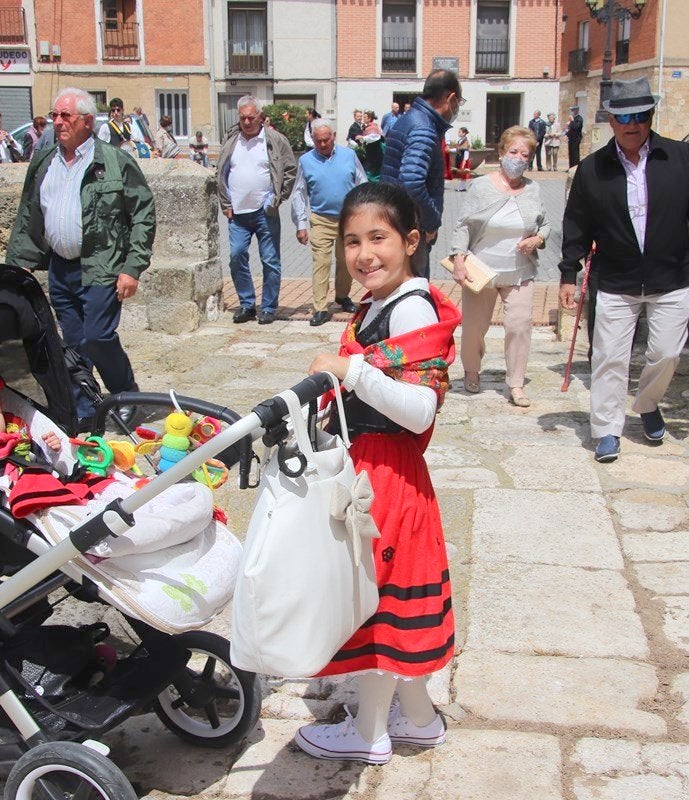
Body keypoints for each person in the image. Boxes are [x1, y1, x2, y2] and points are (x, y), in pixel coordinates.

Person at [295, 182, 460, 766]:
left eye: (378, 239)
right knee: (390, 596)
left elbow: (419, 410)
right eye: (351, 242)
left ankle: (368, 732)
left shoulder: (409, 307)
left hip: (386, 471)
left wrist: (352, 370)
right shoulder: (380, 303)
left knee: (372, 599)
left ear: (411, 241)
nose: (364, 253)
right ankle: (416, 718)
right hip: (382, 468)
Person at [559, 77, 689, 464]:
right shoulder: (592, 170)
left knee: (666, 353)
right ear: (611, 121)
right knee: (608, 358)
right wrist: (569, 273)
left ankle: (648, 403)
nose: (632, 125)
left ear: (650, 117)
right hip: (615, 279)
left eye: (640, 116)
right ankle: (605, 429)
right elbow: (576, 226)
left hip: (670, 276)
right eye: (623, 118)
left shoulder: (680, 158)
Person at [6, 87, 155, 428]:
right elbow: (29, 215)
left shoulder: (114, 161)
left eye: (65, 116)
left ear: (87, 121)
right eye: (54, 115)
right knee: (72, 344)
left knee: (97, 336)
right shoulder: (44, 161)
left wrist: (132, 267)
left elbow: (143, 214)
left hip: (102, 265)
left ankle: (125, 395)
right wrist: (21, 262)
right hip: (61, 267)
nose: (57, 122)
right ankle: (85, 410)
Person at [449, 126, 550, 407]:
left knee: (519, 326)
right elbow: (464, 225)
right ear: (502, 152)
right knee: (473, 327)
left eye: (525, 154)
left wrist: (538, 239)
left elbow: (545, 225)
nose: (518, 158)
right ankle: (471, 370)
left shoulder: (533, 189)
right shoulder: (481, 187)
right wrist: (459, 258)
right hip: (481, 270)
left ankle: (516, 383)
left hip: (520, 271)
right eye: (514, 152)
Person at [216, 95, 297, 325]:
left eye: (251, 117)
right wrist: (225, 203)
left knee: (270, 260)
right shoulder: (231, 141)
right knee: (236, 256)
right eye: (243, 118)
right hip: (237, 213)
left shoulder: (275, 140)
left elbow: (290, 169)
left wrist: (278, 198)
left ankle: (269, 307)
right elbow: (220, 172)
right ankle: (247, 304)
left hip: (265, 212)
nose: (247, 121)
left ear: (260, 117)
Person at [380, 69, 463, 280]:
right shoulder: (424, 128)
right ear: (450, 98)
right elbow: (412, 181)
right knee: (412, 290)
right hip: (411, 225)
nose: (456, 109)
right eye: (458, 102)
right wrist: (431, 220)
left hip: (395, 218)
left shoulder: (409, 119)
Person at [291, 118, 367, 326]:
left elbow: (362, 183)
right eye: (318, 141)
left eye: (326, 139)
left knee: (347, 261)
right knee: (321, 263)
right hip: (321, 219)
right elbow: (298, 193)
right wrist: (301, 225)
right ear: (313, 140)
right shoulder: (306, 161)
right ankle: (320, 307)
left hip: (348, 220)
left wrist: (364, 214)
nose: (323, 144)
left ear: (333, 136)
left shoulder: (349, 156)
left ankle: (342, 296)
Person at [358, 110, 384, 182]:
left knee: (372, 172)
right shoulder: (367, 127)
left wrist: (363, 138)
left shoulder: (373, 127)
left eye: (365, 117)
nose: (363, 119)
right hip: (370, 151)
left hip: (375, 151)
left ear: (369, 118)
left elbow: (375, 137)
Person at [451, 127, 472, 191]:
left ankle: (462, 187)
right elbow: (458, 149)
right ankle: (462, 187)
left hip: (463, 159)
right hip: (460, 158)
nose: (458, 133)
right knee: (461, 174)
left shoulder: (465, 142)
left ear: (464, 133)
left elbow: (466, 152)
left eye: (460, 132)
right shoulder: (460, 140)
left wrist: (464, 161)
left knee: (463, 173)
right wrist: (450, 150)